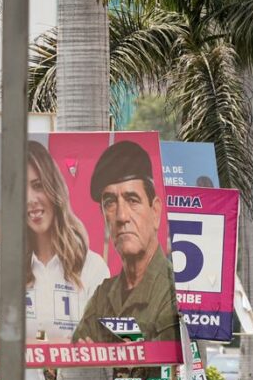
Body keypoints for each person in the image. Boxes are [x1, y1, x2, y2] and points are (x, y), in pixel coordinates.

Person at [73, 141, 179, 344]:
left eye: (132, 200)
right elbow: (77, 354)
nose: (121, 216)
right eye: (110, 203)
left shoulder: (176, 292)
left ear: (155, 212)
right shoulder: (103, 296)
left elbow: (186, 358)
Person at [24, 140, 110, 342]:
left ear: (54, 189)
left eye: (38, 186)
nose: (30, 199)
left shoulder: (92, 267)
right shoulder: (0, 265)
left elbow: (114, 338)